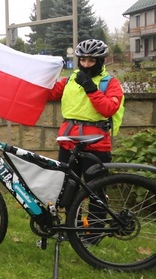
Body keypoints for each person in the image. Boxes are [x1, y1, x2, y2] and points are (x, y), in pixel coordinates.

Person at [48, 39, 125, 216]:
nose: (86, 64)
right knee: (68, 187)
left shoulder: (110, 83)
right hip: (68, 141)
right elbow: (49, 93)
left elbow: (108, 109)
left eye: (91, 61)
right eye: (82, 60)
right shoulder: (70, 80)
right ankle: (71, 227)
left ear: (100, 61)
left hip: (97, 143)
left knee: (96, 189)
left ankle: (94, 233)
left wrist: (90, 88)